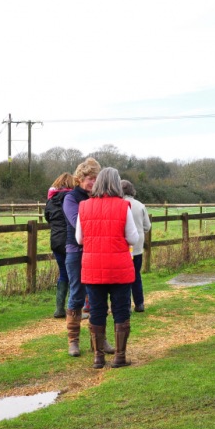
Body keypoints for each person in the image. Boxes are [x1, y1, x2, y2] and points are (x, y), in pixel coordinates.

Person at [77, 167, 139, 369]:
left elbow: (79, 239)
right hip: (119, 266)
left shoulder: (84, 206)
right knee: (121, 309)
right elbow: (133, 238)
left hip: (93, 266)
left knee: (97, 310)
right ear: (116, 183)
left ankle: (98, 357)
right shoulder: (123, 206)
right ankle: (120, 357)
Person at [62, 157, 114, 357]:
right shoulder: (71, 198)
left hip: (98, 251)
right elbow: (78, 223)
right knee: (77, 293)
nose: (93, 182)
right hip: (76, 251)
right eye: (89, 178)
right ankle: (73, 341)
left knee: (98, 296)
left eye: (95, 178)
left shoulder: (101, 197)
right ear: (80, 179)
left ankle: (99, 340)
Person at [45, 172, 74, 318]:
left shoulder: (51, 200)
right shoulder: (72, 198)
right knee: (74, 274)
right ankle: (73, 308)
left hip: (56, 241)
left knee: (63, 273)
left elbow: (47, 218)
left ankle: (59, 309)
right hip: (70, 240)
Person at [121, 179, 152, 312]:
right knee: (136, 275)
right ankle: (139, 303)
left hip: (123, 246)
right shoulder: (140, 205)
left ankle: (126, 305)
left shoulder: (119, 205)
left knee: (124, 277)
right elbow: (147, 226)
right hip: (137, 247)